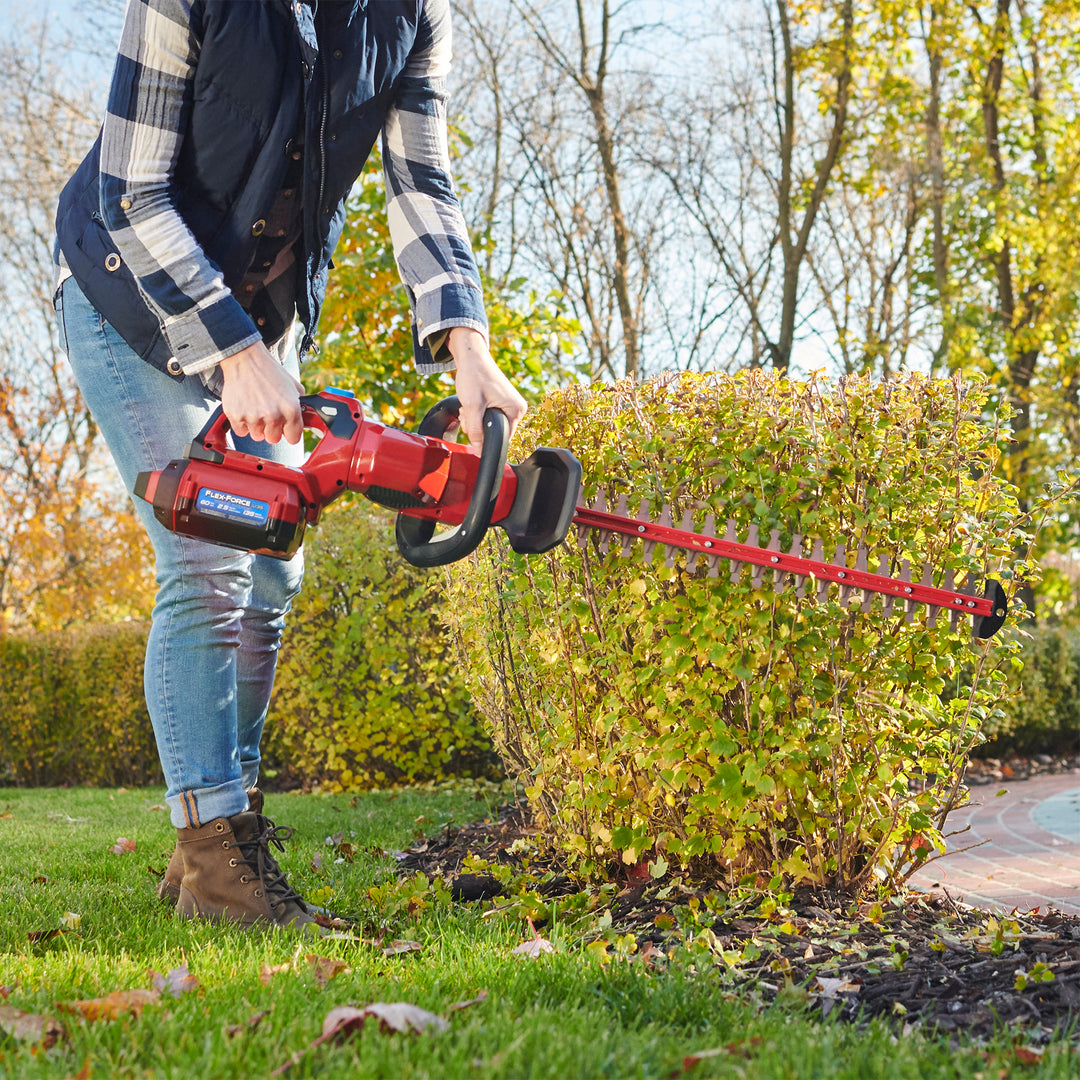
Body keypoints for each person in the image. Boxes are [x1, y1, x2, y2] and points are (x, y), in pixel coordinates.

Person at [52, 0, 527, 931]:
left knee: (271, 567)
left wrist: (468, 347)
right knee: (207, 557)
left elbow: (422, 181)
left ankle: (220, 832)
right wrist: (233, 351)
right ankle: (218, 864)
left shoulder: (414, 14)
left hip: (261, 314)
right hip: (129, 294)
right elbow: (129, 192)